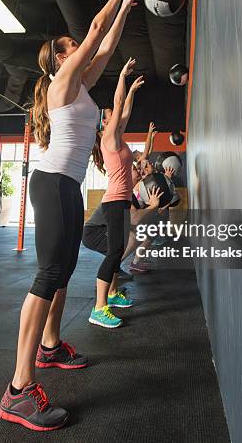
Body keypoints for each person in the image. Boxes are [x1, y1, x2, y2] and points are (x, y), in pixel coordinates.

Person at [0, 0, 139, 431]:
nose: (80, 47)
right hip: (54, 183)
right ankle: (18, 390)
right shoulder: (61, 82)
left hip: (69, 186)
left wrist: (125, 11)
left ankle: (51, 347)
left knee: (61, 274)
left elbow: (105, 41)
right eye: (71, 46)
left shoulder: (81, 85)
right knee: (49, 274)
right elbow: (96, 29)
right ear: (60, 58)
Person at [89, 58, 144, 328]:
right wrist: (122, 75)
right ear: (104, 123)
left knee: (117, 250)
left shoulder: (118, 138)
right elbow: (119, 104)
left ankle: (111, 293)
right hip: (113, 203)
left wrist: (132, 92)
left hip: (121, 201)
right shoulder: (107, 139)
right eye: (111, 114)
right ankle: (99, 308)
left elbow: (125, 110)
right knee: (113, 253)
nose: (116, 115)